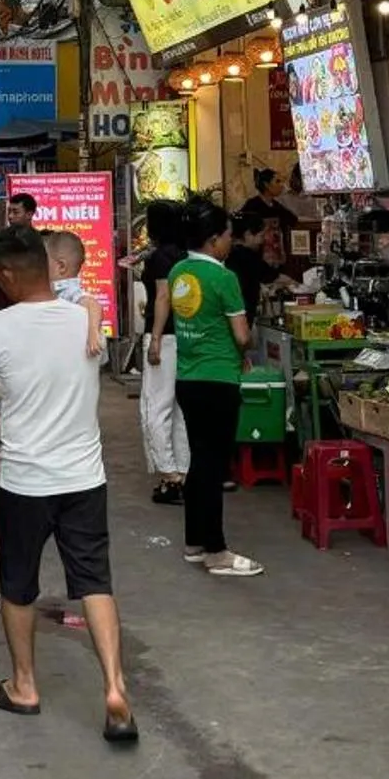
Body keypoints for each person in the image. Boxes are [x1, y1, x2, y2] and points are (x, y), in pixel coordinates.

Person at [0, 225, 138, 743]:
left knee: (18, 586)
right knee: (95, 581)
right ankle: (114, 686)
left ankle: (24, 686)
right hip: (85, 476)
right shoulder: (85, 319)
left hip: (24, 480)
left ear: (11, 275)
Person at [170, 202, 262, 578]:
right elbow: (242, 335)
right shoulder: (224, 279)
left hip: (188, 377)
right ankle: (216, 550)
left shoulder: (180, 271)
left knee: (199, 461)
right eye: (226, 236)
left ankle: (194, 541)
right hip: (219, 379)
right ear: (212, 240)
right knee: (213, 465)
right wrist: (245, 347)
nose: (229, 242)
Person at [141, 199, 190, 504]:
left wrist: (156, 337)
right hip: (185, 337)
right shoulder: (185, 255)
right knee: (179, 410)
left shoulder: (160, 257)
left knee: (155, 408)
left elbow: (163, 298)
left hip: (165, 337)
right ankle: (182, 472)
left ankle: (169, 476)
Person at [41, 227, 106, 357]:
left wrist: (93, 334)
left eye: (43, 261)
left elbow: (92, 303)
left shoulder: (66, 290)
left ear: (61, 266)